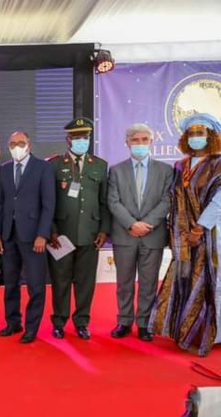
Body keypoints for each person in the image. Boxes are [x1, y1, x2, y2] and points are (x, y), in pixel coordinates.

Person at [150, 114, 221, 356]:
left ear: (211, 136)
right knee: (185, 279)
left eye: (200, 133)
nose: (195, 138)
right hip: (184, 237)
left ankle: (206, 333)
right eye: (191, 134)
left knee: (208, 281)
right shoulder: (181, 165)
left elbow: (219, 200)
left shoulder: (218, 163)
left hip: (211, 235)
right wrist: (183, 231)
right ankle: (184, 329)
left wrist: (200, 228)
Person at [107, 123, 172, 342]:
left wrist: (147, 224)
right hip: (125, 235)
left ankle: (145, 323)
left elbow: (167, 201)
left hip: (152, 235)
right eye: (136, 140)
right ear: (127, 143)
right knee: (124, 282)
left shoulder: (166, 171)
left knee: (149, 282)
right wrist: (131, 224)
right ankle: (124, 321)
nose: (140, 144)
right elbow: (113, 201)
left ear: (152, 142)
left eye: (145, 140)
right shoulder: (116, 170)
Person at [47, 118, 110, 340]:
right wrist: (51, 230)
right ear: (68, 140)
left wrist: (104, 230)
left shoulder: (100, 165)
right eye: (76, 138)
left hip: (91, 234)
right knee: (60, 280)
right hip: (61, 236)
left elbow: (104, 202)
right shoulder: (54, 164)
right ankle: (59, 322)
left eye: (85, 137)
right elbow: (48, 202)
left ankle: (82, 322)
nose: (81, 141)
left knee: (85, 282)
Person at [0, 131, 55, 343]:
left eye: (20, 143)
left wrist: (42, 234)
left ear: (29, 145)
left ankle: (31, 327)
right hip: (8, 235)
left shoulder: (43, 168)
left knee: (36, 285)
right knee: (10, 283)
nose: (16, 147)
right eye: (12, 144)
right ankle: (13, 322)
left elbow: (49, 205)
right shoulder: (5, 169)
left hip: (33, 237)